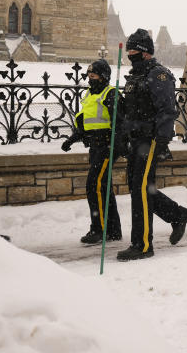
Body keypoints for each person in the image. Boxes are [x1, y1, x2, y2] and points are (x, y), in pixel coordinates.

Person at [117, 28, 187, 261]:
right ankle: (178, 215)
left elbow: (166, 109)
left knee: (140, 188)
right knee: (138, 188)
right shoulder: (135, 77)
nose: (130, 54)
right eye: (128, 50)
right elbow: (131, 110)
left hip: (150, 141)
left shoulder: (158, 75)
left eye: (133, 50)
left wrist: (161, 140)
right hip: (135, 141)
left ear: (145, 52)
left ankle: (142, 245)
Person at [61, 58, 126, 244]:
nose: (90, 79)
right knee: (104, 187)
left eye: (94, 75)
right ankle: (113, 230)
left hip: (107, 146)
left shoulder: (110, 94)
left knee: (93, 185)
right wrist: (72, 139)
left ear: (103, 77)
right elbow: (85, 125)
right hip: (95, 147)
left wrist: (117, 144)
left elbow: (120, 123)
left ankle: (98, 229)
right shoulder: (89, 95)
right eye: (89, 75)